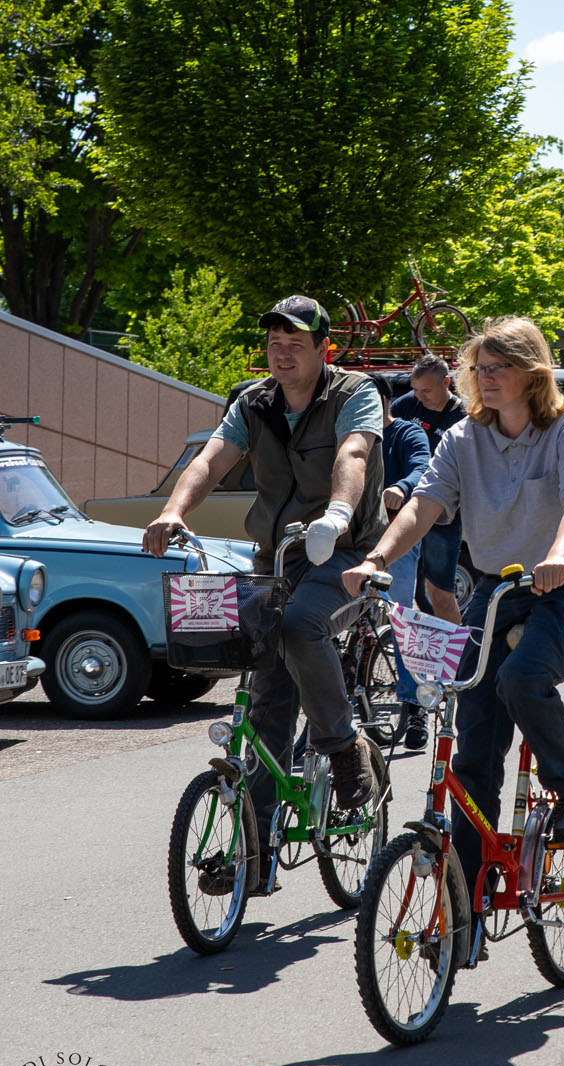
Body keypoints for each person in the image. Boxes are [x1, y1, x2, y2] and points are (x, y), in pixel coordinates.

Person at [343, 316, 564, 870]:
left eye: (499, 368)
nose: (485, 378)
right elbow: (424, 505)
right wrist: (375, 559)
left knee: (522, 678)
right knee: (474, 745)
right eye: (478, 368)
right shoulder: (464, 437)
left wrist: (559, 556)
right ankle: (469, 894)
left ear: (532, 373)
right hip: (496, 591)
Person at [143, 296, 384, 882]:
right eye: (274, 342)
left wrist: (337, 514)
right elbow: (212, 459)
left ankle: (342, 747)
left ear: (325, 347)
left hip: (344, 554)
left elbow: (354, 453)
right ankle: (254, 855)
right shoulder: (253, 402)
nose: (282, 352)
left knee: (302, 625)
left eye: (295, 343)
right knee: (266, 695)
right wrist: (173, 510)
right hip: (274, 558)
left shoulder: (355, 394)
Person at [391, 354, 467, 624]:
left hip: (442, 515)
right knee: (390, 589)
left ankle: (456, 659)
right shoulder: (407, 405)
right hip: (403, 510)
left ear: (446, 382)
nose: (419, 397)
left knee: (438, 592)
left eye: (426, 390)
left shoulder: (464, 417)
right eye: (415, 389)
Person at [379, 393, 433, 749]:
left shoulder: (407, 433)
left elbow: (421, 464)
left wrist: (402, 486)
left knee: (399, 614)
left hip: (397, 535)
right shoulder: (346, 434)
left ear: (383, 401)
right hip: (352, 539)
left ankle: (415, 704)